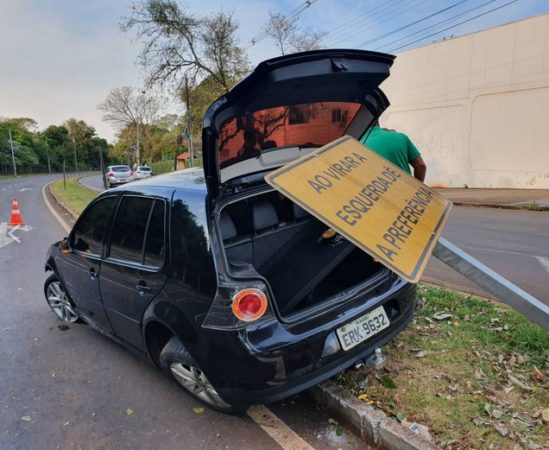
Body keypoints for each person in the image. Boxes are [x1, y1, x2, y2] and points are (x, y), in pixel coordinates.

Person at [360, 120, 427, 182]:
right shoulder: (400, 137)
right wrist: (417, 188)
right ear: (377, 121)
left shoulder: (357, 146)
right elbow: (421, 166)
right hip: (408, 191)